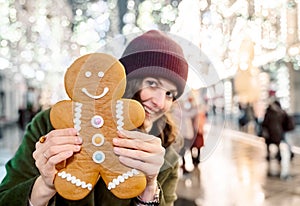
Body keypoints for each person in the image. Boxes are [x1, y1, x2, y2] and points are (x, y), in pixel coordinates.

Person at [0, 30, 189, 205]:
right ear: (126, 79)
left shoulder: (166, 151)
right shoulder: (51, 124)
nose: (159, 101)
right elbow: (5, 198)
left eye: (170, 94)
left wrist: (149, 188)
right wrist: (45, 185)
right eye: (152, 83)